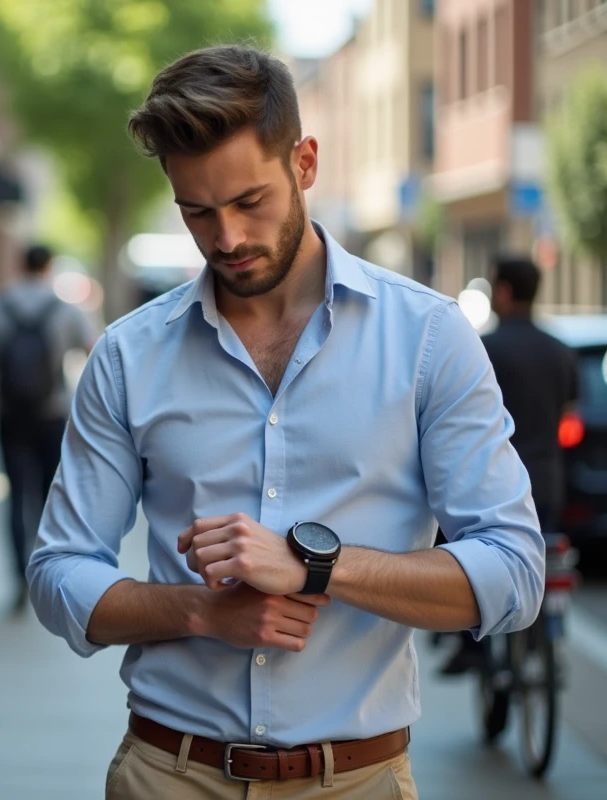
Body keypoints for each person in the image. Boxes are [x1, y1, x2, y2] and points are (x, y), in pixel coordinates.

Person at [27, 44, 544, 799]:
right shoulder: (128, 355)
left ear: (304, 163)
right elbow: (59, 570)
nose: (227, 238)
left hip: (356, 780)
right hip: (169, 774)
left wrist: (316, 566)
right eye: (197, 212)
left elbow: (515, 571)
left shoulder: (429, 339)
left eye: (249, 201)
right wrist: (201, 611)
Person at [438, 255, 578, 675]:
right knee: (541, 558)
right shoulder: (560, 351)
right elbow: (568, 418)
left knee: (464, 558)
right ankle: (545, 639)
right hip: (549, 482)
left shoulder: (484, 348)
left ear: (502, 291)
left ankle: (473, 650)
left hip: (493, 483)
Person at [0, 244, 96, 614]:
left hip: (9, 416)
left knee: (16, 496)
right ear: (49, 267)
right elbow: (96, 355)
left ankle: (18, 578)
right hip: (51, 413)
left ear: (20, 265)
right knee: (48, 497)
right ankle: (45, 576)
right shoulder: (66, 310)